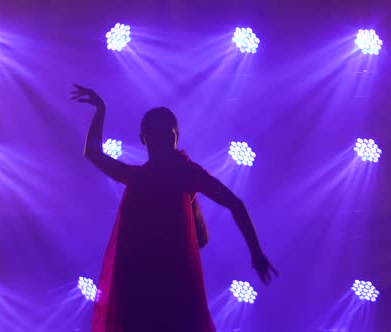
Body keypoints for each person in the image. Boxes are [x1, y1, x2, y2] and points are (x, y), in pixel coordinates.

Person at [72, 84, 278, 332]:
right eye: (154, 135)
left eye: (166, 135)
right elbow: (93, 154)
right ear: (143, 139)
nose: (161, 141)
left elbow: (235, 203)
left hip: (171, 283)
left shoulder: (181, 174)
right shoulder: (157, 176)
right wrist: (100, 110)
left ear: (176, 138)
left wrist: (256, 252)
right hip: (142, 283)